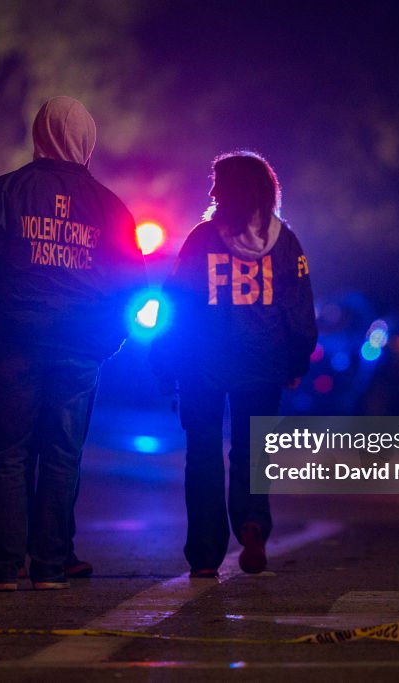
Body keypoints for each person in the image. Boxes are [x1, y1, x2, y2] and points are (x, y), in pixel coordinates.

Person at [0, 96, 146, 591]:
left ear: (39, 134)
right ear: (87, 141)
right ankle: (49, 567)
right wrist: (109, 339)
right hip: (80, 346)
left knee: (8, 454)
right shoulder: (109, 205)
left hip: (15, 341)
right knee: (63, 454)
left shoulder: (5, 192)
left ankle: (2, 569)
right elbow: (133, 283)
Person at [151, 151, 317, 578]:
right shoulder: (286, 243)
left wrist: (164, 361)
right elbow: (299, 312)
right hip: (263, 363)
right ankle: (252, 523)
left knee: (203, 452)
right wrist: (295, 360)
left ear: (229, 192)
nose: (210, 191)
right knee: (251, 451)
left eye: (217, 183)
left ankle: (205, 553)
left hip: (202, 363)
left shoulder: (201, 240)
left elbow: (176, 304)